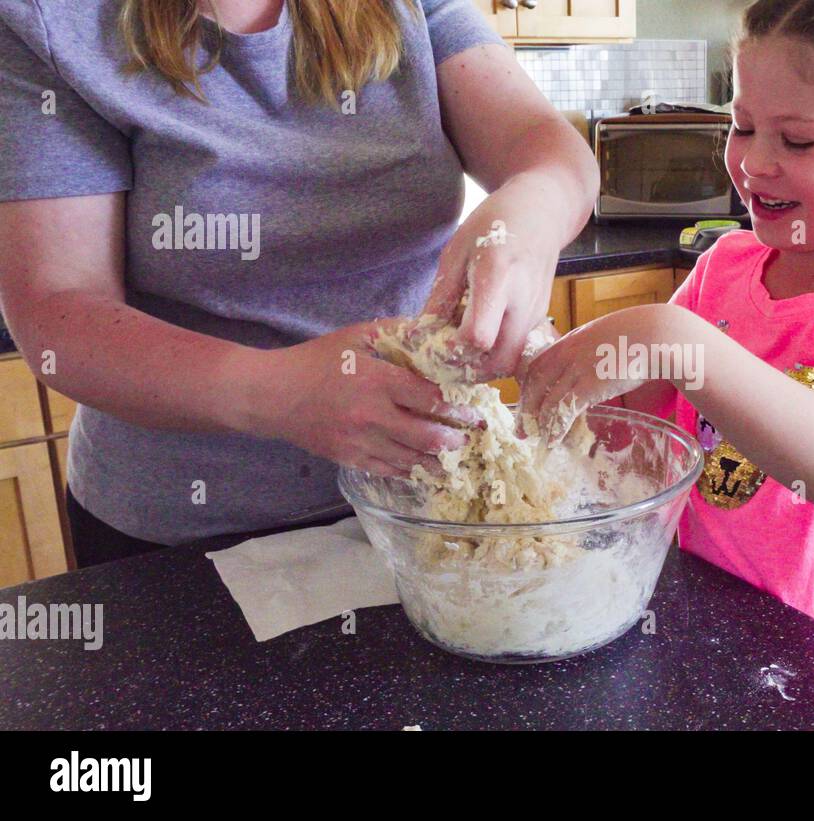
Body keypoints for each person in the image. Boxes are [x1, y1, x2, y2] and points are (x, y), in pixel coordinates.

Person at [0, 0, 597, 565]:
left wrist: (533, 209)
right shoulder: (54, 23)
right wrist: (278, 391)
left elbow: (544, 147)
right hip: (185, 532)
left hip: (419, 505)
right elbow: (57, 308)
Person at [520, 0, 814, 658]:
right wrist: (539, 357)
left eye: (798, 141)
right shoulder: (723, 269)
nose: (755, 162)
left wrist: (674, 341)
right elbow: (633, 442)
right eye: (743, 126)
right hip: (708, 627)